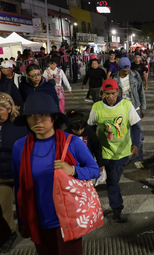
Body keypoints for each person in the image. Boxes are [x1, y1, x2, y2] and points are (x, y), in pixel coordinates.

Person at [12, 92, 100, 255]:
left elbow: (94, 170)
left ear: (54, 117)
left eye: (43, 115)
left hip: (69, 220)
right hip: (38, 220)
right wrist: (22, 219)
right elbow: (19, 185)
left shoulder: (72, 142)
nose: (37, 120)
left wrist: (73, 170)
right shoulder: (20, 147)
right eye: (31, 115)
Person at [87, 79, 140, 223]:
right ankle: (117, 208)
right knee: (113, 181)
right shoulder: (97, 107)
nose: (111, 96)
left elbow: (136, 126)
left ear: (118, 91)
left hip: (123, 152)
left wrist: (135, 144)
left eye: (114, 93)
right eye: (108, 94)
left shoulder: (126, 105)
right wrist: (90, 150)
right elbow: (90, 128)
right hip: (106, 152)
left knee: (115, 176)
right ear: (102, 93)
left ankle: (114, 200)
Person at [0, 93, 28, 253]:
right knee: (3, 209)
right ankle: (9, 233)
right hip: (1, 177)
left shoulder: (20, 127)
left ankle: (28, 228)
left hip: (19, 174)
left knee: (24, 206)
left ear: (10, 110)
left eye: (1, 110)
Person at [111, 57, 146, 169]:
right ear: (119, 68)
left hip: (134, 107)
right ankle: (124, 157)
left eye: (128, 70)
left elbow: (141, 92)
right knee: (122, 135)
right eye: (125, 71)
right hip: (120, 109)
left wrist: (142, 107)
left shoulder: (135, 75)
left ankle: (138, 158)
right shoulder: (114, 78)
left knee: (138, 135)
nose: (127, 72)